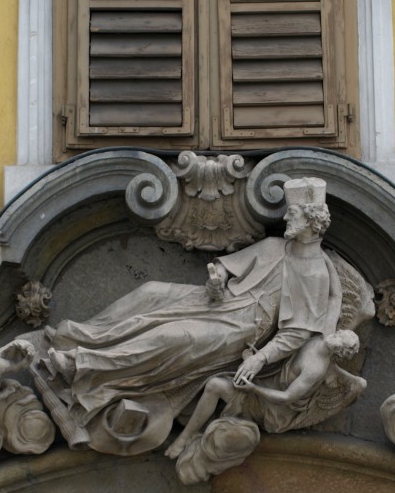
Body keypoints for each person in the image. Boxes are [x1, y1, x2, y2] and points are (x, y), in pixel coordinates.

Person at [40, 177, 345, 454]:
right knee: (151, 292)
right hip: (217, 300)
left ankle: (81, 364)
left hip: (240, 328)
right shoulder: (275, 245)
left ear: (311, 220)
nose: (286, 218)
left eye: (293, 214)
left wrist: (258, 359)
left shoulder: (315, 273)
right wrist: (217, 279)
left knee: (171, 337)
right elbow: (228, 268)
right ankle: (77, 338)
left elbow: (297, 333)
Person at [165, 329, 364, 460]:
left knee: (215, 385)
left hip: (269, 405)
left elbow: (286, 397)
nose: (334, 338)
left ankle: (184, 438)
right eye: (338, 334)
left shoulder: (316, 369)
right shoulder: (317, 335)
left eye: (339, 343)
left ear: (340, 352)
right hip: (264, 378)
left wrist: (253, 389)